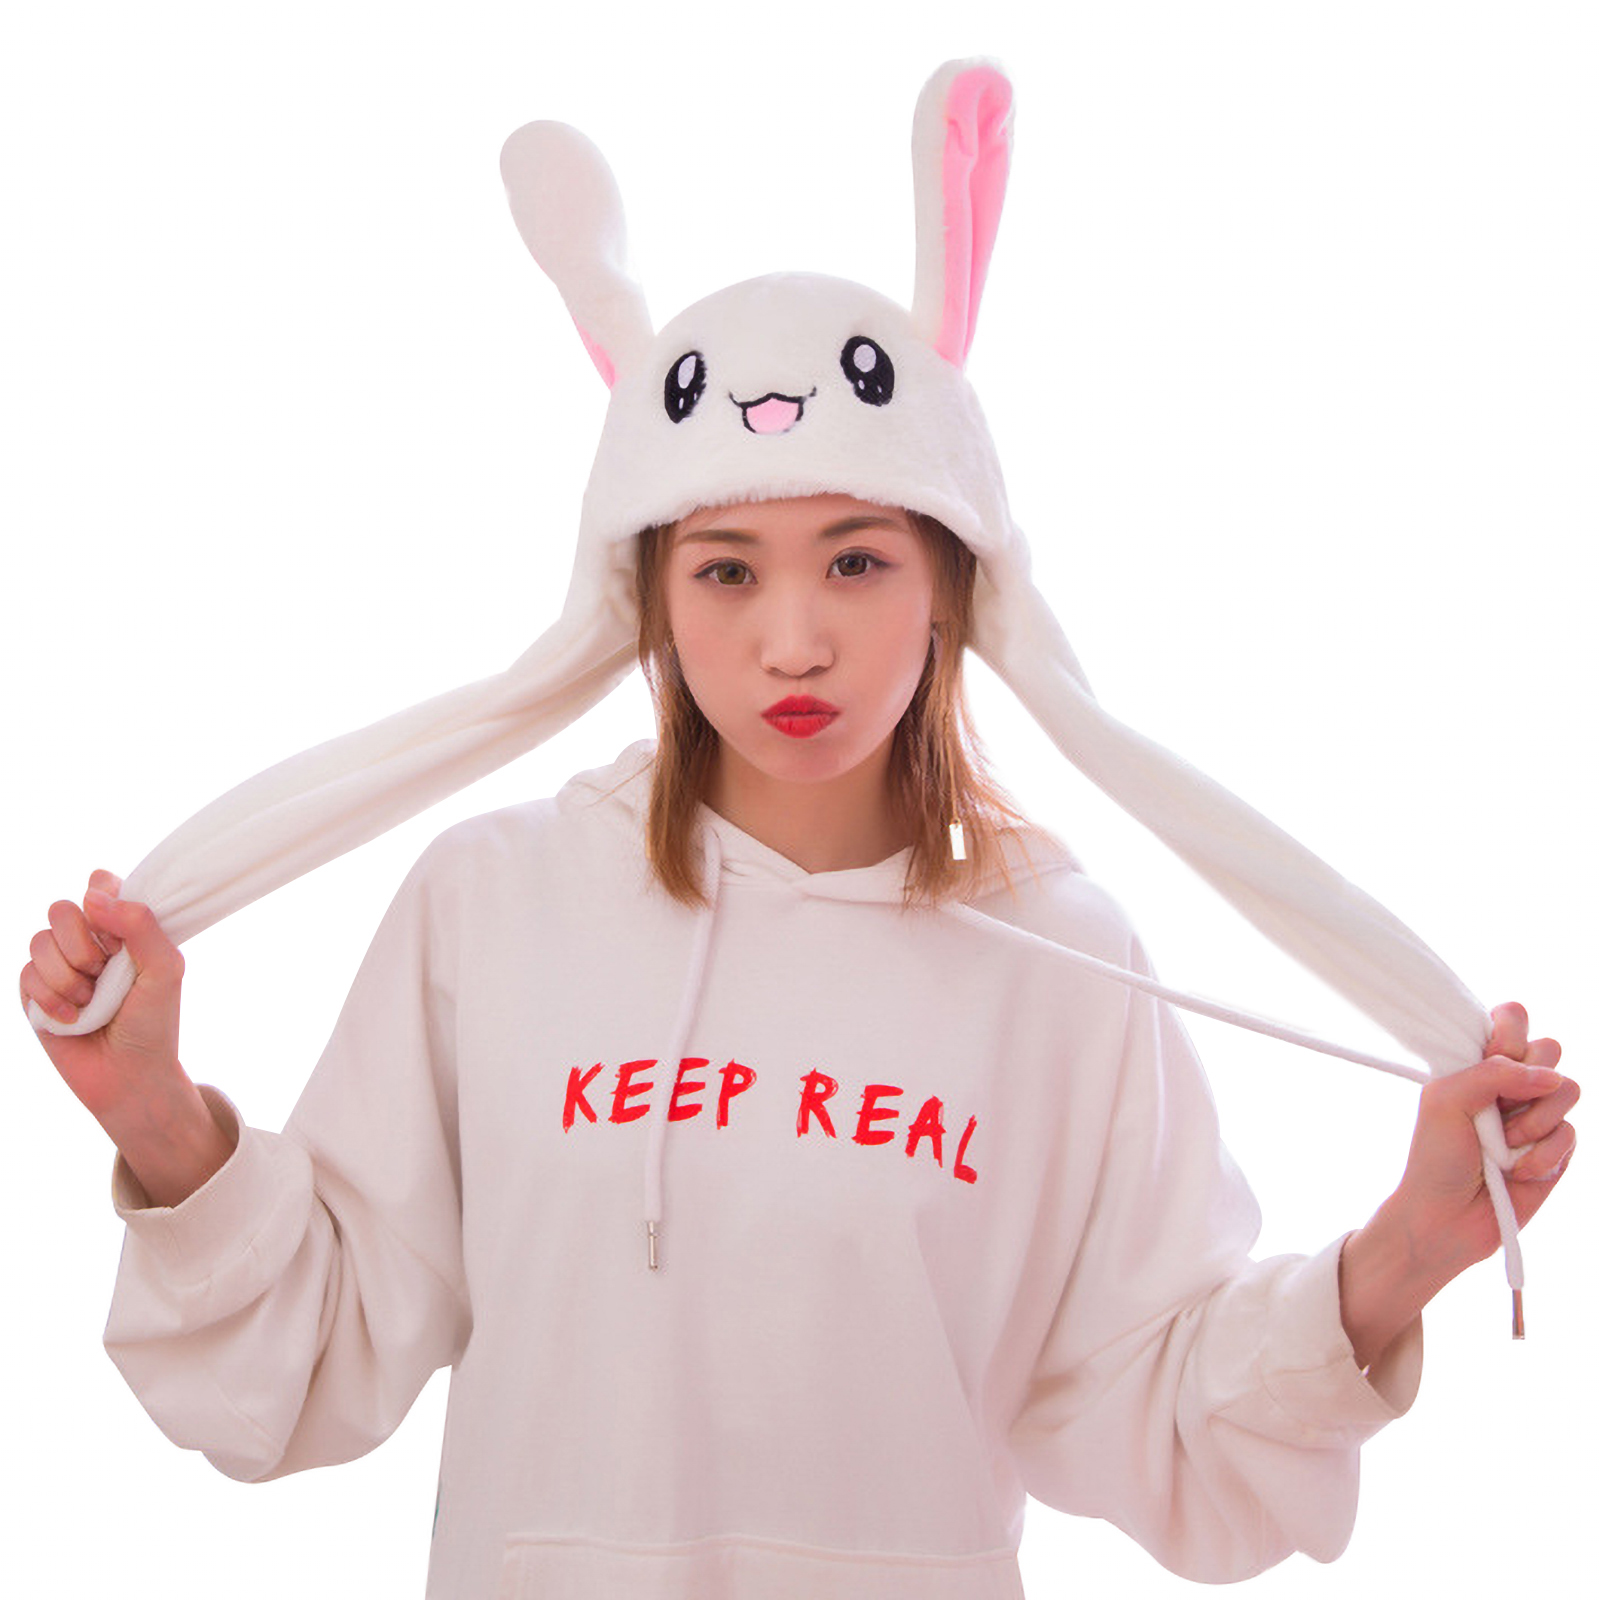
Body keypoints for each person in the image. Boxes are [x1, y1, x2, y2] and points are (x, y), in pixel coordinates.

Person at [19, 62, 1579, 1600]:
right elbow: (317, 1358)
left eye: (854, 561)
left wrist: (1409, 1247)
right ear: (646, 590)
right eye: (726, 569)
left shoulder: (1064, 956)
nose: (792, 642)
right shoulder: (493, 906)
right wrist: (155, 1110)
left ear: (953, 577)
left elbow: (1153, 1408)